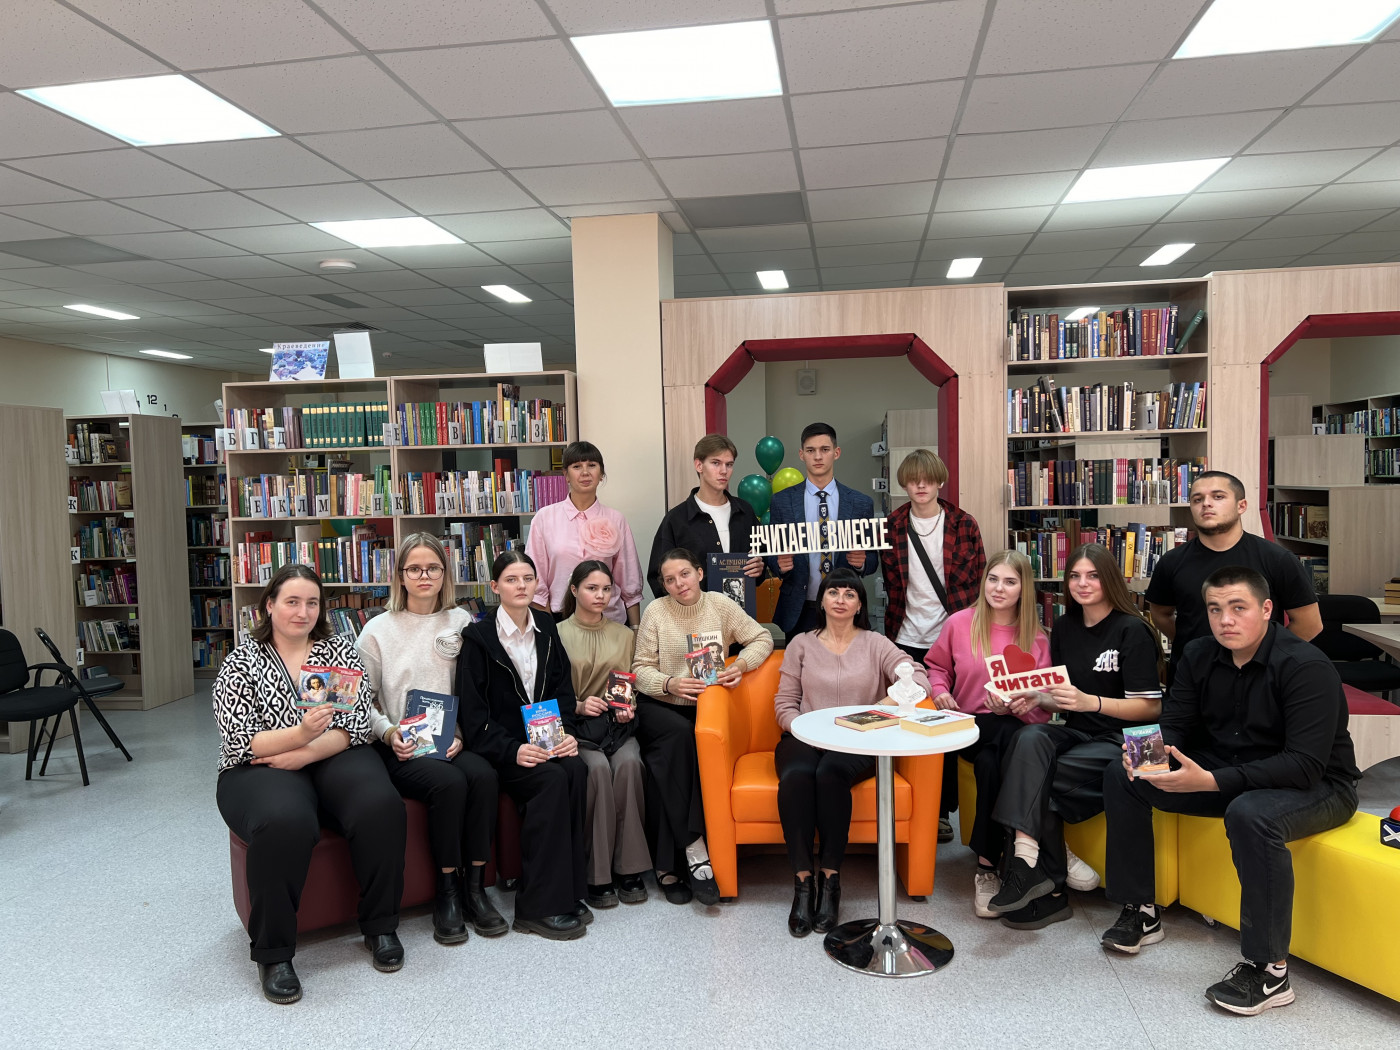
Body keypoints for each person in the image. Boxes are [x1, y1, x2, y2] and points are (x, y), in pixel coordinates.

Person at [1099, 566, 1359, 1016]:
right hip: (1228, 768)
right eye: (1215, 609)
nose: (1226, 620)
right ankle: (1141, 909)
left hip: (1319, 785)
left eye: (1239, 608)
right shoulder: (1199, 653)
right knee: (1124, 775)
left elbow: (1304, 764)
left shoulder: (1306, 666)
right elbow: (1176, 724)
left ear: (1267, 609)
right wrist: (1141, 757)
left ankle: (1270, 971)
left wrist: (1211, 781)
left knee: (1250, 813)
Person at [213, 565, 406, 1005]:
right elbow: (242, 739)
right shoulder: (242, 662)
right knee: (285, 821)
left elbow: (353, 725)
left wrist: (304, 752)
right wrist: (298, 735)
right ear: (269, 605)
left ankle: (381, 926)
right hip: (257, 766)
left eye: (312, 603)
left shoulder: (336, 652)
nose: (303, 612)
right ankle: (274, 953)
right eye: (292, 602)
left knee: (379, 805)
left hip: (329, 753)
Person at [987, 543, 1164, 930]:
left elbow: (1151, 709)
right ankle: (1027, 864)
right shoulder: (1065, 627)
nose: (1083, 583)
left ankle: (1043, 880)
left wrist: (1091, 702)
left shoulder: (1133, 629)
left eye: (1093, 576)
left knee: (1033, 778)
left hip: (1136, 741)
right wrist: (1039, 698)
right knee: (1028, 740)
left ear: (1110, 579)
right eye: (1075, 576)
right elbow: (1067, 699)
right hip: (1083, 732)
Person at [356, 532, 506, 944]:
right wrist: (389, 733)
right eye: (415, 569)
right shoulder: (376, 631)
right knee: (449, 783)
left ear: (445, 574)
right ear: (400, 576)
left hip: (453, 741)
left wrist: (463, 736)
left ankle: (476, 888)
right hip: (400, 747)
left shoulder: (462, 623)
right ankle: (448, 891)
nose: (424, 576)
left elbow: (477, 691)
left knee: (484, 777)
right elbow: (361, 701)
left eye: (433, 568)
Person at [773, 567, 932, 937]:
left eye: (849, 594)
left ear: (860, 604)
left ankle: (830, 880)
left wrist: (884, 704)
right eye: (833, 592)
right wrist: (802, 727)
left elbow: (917, 678)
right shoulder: (800, 644)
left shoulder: (876, 643)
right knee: (797, 776)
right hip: (803, 737)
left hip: (861, 740)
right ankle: (803, 883)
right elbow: (784, 702)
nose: (840, 600)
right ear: (821, 601)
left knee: (830, 773)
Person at [455, 550, 591, 940]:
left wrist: (566, 733)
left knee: (576, 769)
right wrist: (513, 749)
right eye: (511, 579)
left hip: (546, 739)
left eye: (528, 579)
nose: (521, 586)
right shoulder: (478, 638)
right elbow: (474, 715)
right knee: (550, 780)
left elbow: (563, 690)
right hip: (501, 749)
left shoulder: (547, 625)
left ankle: (568, 893)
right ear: (495, 587)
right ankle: (536, 907)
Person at [632, 547, 774, 905]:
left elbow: (762, 638)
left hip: (707, 708)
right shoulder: (655, 612)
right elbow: (640, 670)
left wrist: (739, 665)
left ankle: (670, 865)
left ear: (699, 573)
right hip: (661, 706)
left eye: (684, 574)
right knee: (681, 740)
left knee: (687, 749)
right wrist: (669, 683)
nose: (679, 583)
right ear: (663, 585)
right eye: (669, 580)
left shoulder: (720, 605)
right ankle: (695, 849)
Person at [923, 550, 1050, 917]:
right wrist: (939, 690)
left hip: (1015, 733)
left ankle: (986, 866)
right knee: (997, 735)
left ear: (1024, 588)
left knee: (991, 764)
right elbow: (936, 667)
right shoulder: (960, 623)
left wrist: (1020, 705)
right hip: (967, 726)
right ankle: (1043, 844)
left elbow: (1043, 701)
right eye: (993, 579)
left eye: (1010, 581)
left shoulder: (1037, 638)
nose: (999, 588)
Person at [880, 448, 986, 843]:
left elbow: (980, 579)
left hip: (954, 639)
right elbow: (884, 578)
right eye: (912, 479)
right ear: (904, 484)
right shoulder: (892, 525)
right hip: (905, 638)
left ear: (940, 480)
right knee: (909, 722)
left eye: (927, 478)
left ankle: (941, 811)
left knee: (947, 723)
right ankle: (910, 802)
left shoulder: (964, 524)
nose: (920, 485)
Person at [1145, 470, 1320, 681]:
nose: (1206, 504)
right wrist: (1194, 645)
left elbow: (1309, 623)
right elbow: (1160, 614)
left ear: (1241, 506)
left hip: (1257, 677)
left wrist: (1268, 656)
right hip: (1192, 677)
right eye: (1197, 499)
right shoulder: (1171, 561)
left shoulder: (1277, 559)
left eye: (1218, 496)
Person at [557, 560, 652, 908]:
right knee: (596, 770)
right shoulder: (555, 634)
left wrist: (629, 706)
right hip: (575, 728)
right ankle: (597, 874)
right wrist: (579, 705)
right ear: (574, 590)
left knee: (629, 765)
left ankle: (630, 868)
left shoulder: (625, 635)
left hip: (616, 727)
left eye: (606, 589)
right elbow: (547, 692)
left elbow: (630, 685)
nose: (600, 595)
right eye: (592, 588)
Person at [767, 423, 877, 635]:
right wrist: (779, 564)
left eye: (824, 449)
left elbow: (873, 561)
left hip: (845, 610)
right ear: (801, 455)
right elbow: (771, 556)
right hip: (798, 610)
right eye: (811, 450)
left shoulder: (861, 503)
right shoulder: (782, 502)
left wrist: (862, 563)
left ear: (836, 453)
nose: (818, 457)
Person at [526, 440, 643, 625]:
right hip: (560, 619)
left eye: (592, 465)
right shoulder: (544, 518)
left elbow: (629, 580)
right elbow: (535, 579)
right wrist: (550, 628)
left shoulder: (616, 519)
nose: (585, 472)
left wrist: (635, 629)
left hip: (610, 620)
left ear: (601, 474)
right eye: (577, 466)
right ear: (566, 475)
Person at [647, 433, 765, 599]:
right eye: (716, 463)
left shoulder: (745, 512)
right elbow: (658, 576)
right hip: (693, 613)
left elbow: (762, 559)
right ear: (699, 465)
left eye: (729, 464)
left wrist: (759, 568)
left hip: (740, 611)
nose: (723, 471)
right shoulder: (676, 519)